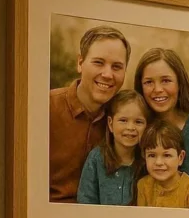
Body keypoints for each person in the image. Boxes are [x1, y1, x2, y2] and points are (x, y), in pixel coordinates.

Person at [50, 26, 131, 203]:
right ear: (80, 63)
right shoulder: (47, 107)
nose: (108, 74)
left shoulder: (125, 120)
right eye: (99, 63)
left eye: (117, 66)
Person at [135, 48, 189, 200]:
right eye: (149, 82)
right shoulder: (136, 129)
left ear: (180, 84)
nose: (157, 89)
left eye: (166, 80)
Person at [77, 90, 148, 205]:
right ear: (110, 124)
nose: (130, 127)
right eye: (123, 120)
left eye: (138, 122)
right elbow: (86, 201)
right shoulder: (96, 158)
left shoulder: (148, 161)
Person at [135, 121, 189, 209]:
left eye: (167, 155)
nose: (158, 162)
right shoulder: (143, 185)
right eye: (152, 155)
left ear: (180, 157)